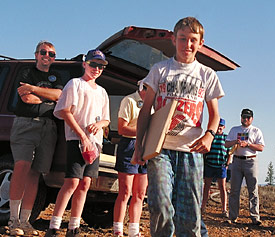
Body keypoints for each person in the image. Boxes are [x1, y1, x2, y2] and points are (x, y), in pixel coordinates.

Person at [131, 16, 224, 236]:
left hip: (191, 150)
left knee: (189, 214)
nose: (187, 45)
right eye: (182, 39)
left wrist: (210, 135)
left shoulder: (207, 75)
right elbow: (146, 110)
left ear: (201, 43)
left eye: (193, 40)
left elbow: (215, 115)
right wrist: (139, 146)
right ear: (174, 40)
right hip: (160, 148)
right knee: (161, 204)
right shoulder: (160, 70)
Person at [45, 49, 110, 236]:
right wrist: (81, 135)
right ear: (85, 64)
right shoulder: (75, 84)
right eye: (93, 64)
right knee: (72, 181)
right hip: (76, 139)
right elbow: (65, 111)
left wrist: (99, 124)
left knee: (85, 183)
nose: (96, 69)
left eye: (100, 66)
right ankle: (54, 225)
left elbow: (106, 119)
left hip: (95, 144)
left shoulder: (103, 92)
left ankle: (74, 226)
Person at [8, 41, 62, 236]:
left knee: (35, 174)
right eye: (43, 52)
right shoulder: (25, 73)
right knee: (21, 166)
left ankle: (25, 221)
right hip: (26, 124)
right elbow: (26, 98)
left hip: (48, 128)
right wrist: (50, 98)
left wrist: (35, 90)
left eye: (52, 54)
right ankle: (13, 220)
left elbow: (59, 95)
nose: (47, 56)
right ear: (36, 54)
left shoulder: (58, 77)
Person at [113, 82, 148, 237]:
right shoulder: (129, 100)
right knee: (125, 191)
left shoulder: (154, 104)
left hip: (147, 147)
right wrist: (143, 131)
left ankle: (134, 229)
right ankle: (118, 229)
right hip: (130, 144)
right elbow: (122, 128)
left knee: (140, 193)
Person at [225, 109, 265, 225]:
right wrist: (234, 142)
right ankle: (233, 217)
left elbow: (261, 147)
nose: (245, 119)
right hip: (237, 161)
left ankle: (255, 217)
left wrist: (248, 144)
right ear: (240, 117)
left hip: (251, 161)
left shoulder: (256, 131)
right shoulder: (234, 129)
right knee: (234, 190)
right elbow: (226, 144)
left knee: (253, 190)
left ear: (252, 119)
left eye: (248, 117)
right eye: (243, 117)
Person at [201, 118, 229, 217]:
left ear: (224, 127)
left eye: (221, 126)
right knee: (206, 187)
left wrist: (227, 164)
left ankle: (224, 209)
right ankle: (202, 207)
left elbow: (230, 152)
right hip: (209, 164)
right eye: (218, 126)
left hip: (221, 165)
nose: (219, 128)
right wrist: (204, 162)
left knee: (222, 187)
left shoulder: (226, 138)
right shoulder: (211, 137)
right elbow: (205, 151)